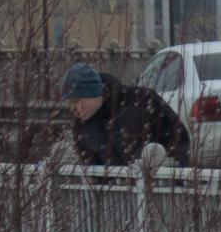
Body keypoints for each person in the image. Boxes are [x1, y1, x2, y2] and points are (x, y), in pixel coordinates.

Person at [62, 61, 191, 167]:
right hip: (113, 196)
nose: (72, 109)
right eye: (69, 103)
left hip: (157, 189)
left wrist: (171, 173)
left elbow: (179, 138)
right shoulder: (82, 128)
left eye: (75, 101)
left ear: (91, 93)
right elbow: (92, 172)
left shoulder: (142, 101)